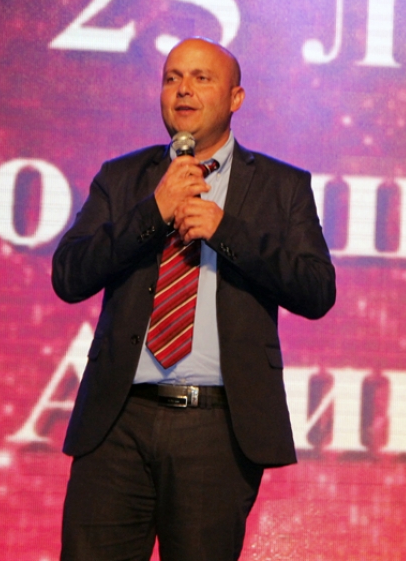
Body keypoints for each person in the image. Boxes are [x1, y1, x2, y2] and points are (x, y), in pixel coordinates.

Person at [52, 37, 336, 560]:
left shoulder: (280, 186)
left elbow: (317, 289)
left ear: (236, 98)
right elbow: (69, 275)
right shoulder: (122, 179)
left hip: (216, 428)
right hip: (117, 421)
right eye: (172, 78)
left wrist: (227, 232)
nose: (183, 89)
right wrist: (151, 214)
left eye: (201, 78)